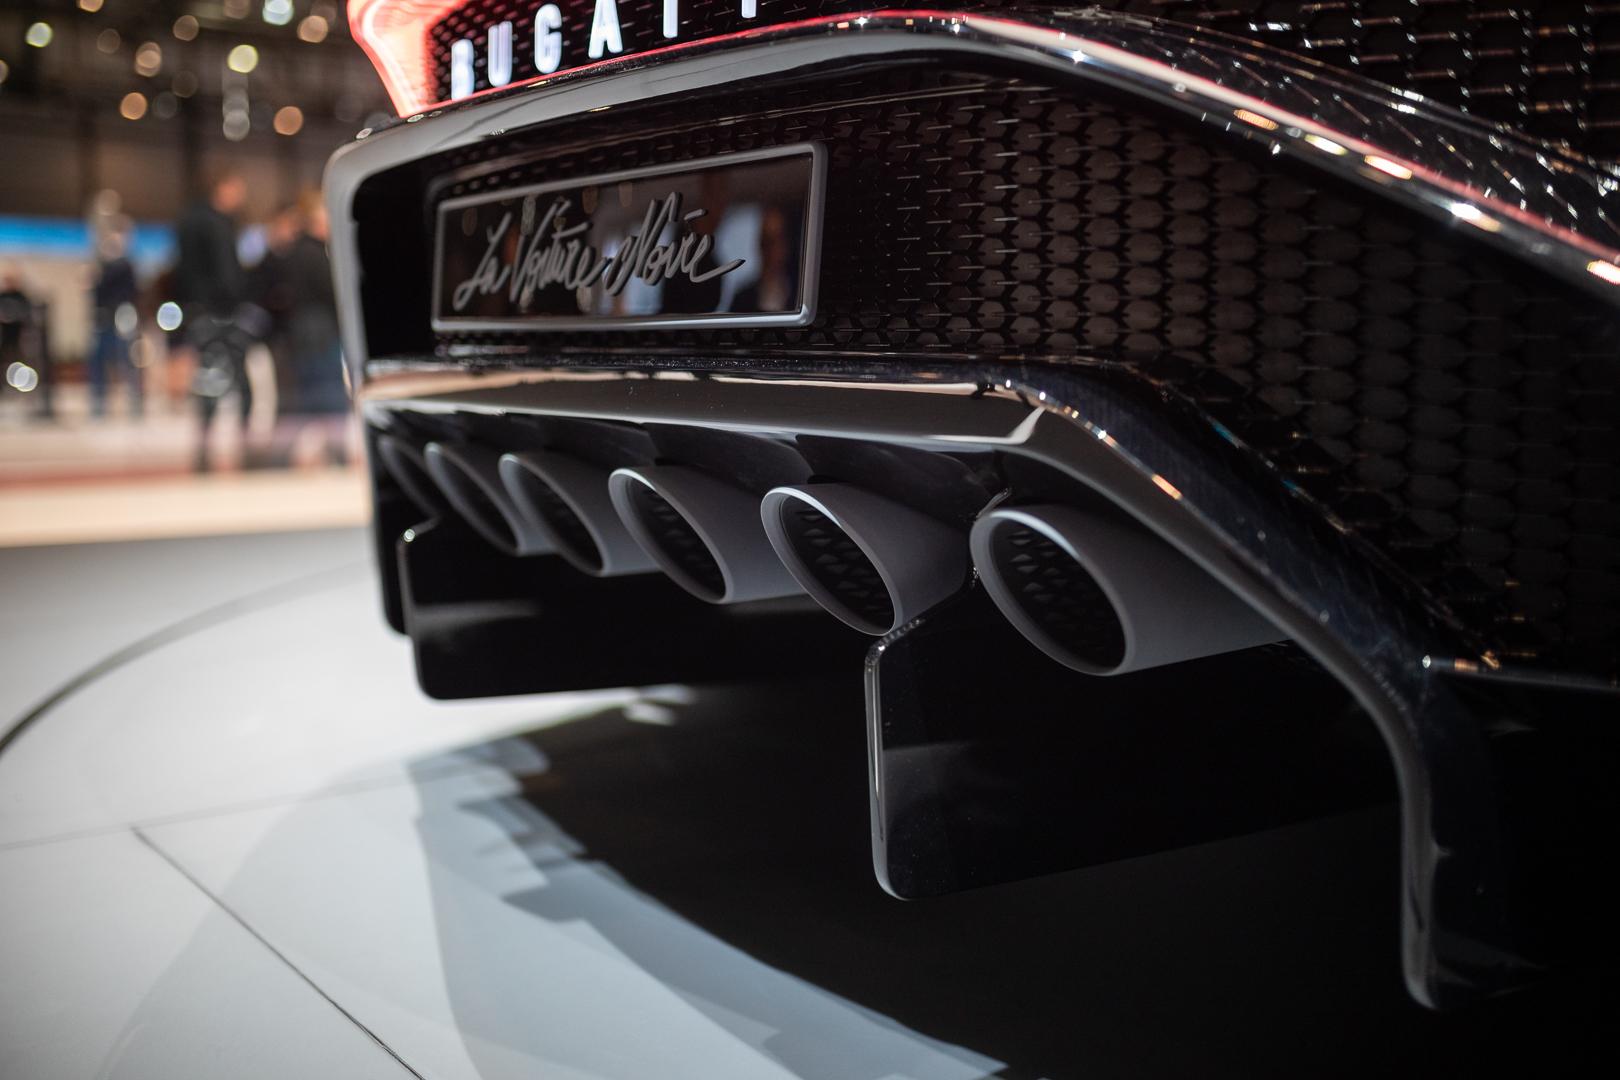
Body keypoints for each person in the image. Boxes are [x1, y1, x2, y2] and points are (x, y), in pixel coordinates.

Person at [174, 169, 252, 471]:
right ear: (224, 188)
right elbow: (226, 273)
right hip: (220, 313)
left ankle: (205, 443)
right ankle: (243, 446)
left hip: (199, 311)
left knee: (208, 380)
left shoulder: (188, 221)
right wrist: (234, 304)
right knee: (236, 382)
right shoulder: (216, 224)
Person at [281, 191, 349, 465]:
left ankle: (289, 454)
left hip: (303, 333)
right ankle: (337, 454)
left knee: (308, 394)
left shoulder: (293, 252)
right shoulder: (315, 254)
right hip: (320, 333)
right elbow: (331, 293)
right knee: (328, 394)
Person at [87, 220, 143, 419]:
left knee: (127, 358)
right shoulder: (102, 264)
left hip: (122, 315)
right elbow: (96, 293)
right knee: (99, 359)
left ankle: (134, 401)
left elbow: (132, 292)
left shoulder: (125, 265)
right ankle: (99, 402)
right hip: (103, 317)